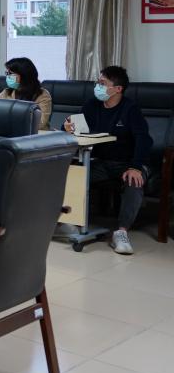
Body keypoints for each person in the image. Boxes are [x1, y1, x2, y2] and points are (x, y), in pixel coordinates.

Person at [64, 66, 153, 255]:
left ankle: (121, 233)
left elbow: (144, 139)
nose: (98, 86)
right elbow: (77, 127)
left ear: (118, 89)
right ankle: (67, 219)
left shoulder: (130, 109)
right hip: (101, 162)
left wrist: (136, 167)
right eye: (98, 82)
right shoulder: (91, 105)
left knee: (133, 182)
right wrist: (68, 125)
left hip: (128, 163)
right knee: (74, 174)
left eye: (102, 83)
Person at [0, 57, 52, 130]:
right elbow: (0, 118)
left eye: (10, 73)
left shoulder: (42, 95)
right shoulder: (5, 93)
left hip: (37, 134)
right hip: (11, 132)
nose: (8, 76)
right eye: (7, 73)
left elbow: (40, 123)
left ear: (24, 75)